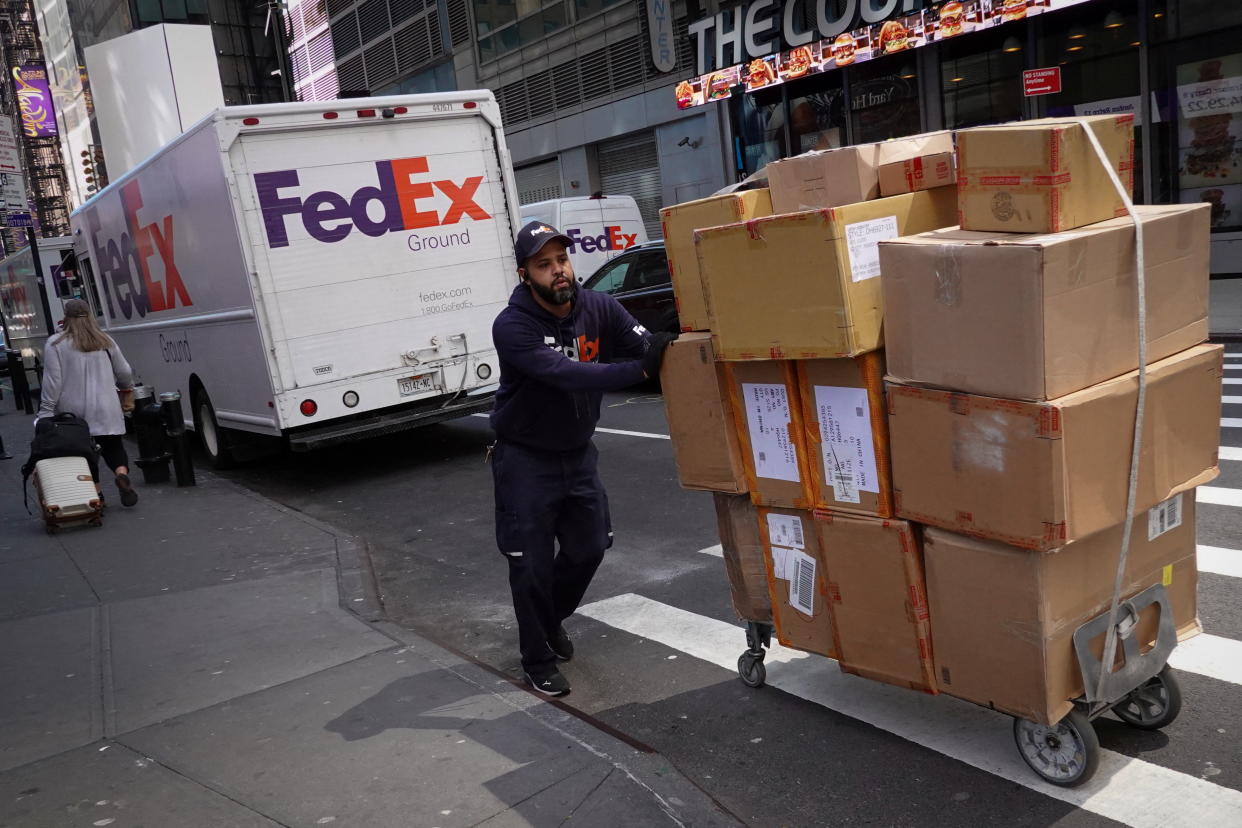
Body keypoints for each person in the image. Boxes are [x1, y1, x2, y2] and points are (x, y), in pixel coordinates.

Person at [490, 220, 674, 696]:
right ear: (524, 274)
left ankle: (549, 619)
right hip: (525, 461)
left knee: (590, 547)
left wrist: (660, 348)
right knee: (528, 565)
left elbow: (647, 344)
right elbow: (565, 374)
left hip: (578, 455)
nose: (558, 272)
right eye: (544, 264)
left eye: (562, 260)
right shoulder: (512, 326)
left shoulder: (599, 306)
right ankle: (536, 656)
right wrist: (638, 368)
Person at [37, 298, 138, 507]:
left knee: (83, 455)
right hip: (107, 407)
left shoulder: (56, 344)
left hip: (75, 414)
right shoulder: (105, 341)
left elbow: (53, 383)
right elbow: (125, 372)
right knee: (113, 446)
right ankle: (121, 474)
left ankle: (97, 497)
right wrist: (126, 386)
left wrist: (45, 413)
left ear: (66, 318)